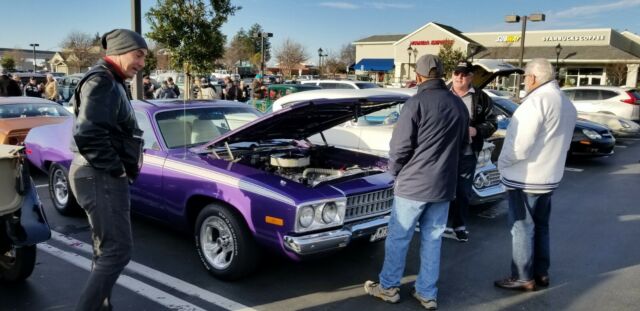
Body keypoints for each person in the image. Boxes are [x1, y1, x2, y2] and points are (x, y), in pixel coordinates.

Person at [364, 54, 469, 310]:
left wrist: (395, 172)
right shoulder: (459, 105)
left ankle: (388, 287)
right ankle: (427, 293)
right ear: (442, 74)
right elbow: (464, 145)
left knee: (399, 238)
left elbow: (399, 148)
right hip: (443, 186)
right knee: (433, 240)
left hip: (413, 185)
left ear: (419, 76)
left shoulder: (416, 103)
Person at [68, 28, 147, 311]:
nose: (141, 63)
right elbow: (89, 134)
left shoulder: (110, 80)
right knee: (118, 250)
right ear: (119, 51)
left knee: (105, 250)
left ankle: (101, 306)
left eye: (144, 57)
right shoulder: (102, 81)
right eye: (137, 55)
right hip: (99, 173)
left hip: (96, 172)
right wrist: (117, 171)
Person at [494, 58, 576, 291]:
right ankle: (541, 272)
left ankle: (522, 275)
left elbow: (519, 146)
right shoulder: (564, 102)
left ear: (533, 78)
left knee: (521, 227)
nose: (524, 81)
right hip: (550, 175)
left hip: (526, 176)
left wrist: (502, 163)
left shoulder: (536, 102)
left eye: (526, 77)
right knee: (541, 225)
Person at [444, 61, 497, 242]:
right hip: (441, 154)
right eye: (457, 73)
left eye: (465, 74)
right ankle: (437, 224)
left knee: (463, 191)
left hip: (467, 153)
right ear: (452, 74)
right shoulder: (441, 94)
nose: (460, 77)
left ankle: (459, 226)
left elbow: (492, 123)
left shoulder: (481, 98)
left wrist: (476, 130)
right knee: (439, 188)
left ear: (471, 77)